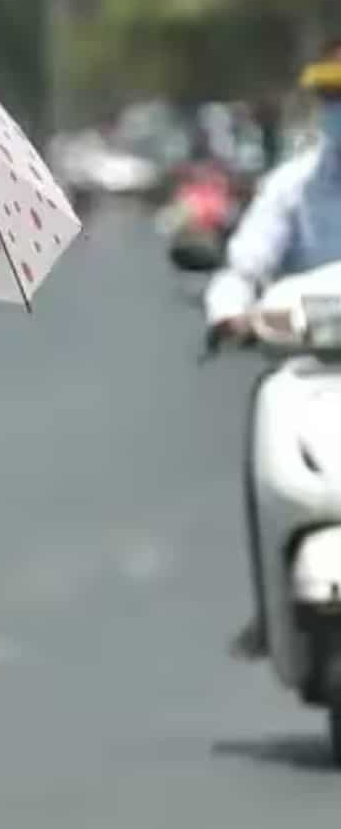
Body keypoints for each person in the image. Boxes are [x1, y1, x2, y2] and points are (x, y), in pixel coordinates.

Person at [203, 39, 341, 658]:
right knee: (265, 461)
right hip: (312, 365)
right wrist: (229, 313)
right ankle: (271, 605)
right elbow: (243, 266)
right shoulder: (293, 187)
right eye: (332, 97)